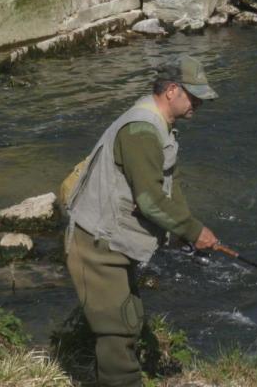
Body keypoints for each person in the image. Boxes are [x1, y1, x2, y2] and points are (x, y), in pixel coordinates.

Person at [64, 55, 221, 387]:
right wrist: (194, 230)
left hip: (111, 243)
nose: (199, 103)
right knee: (117, 331)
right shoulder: (141, 130)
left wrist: (183, 230)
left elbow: (168, 186)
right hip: (96, 244)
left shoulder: (159, 126)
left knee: (129, 319)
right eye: (193, 96)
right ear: (172, 91)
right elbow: (149, 200)